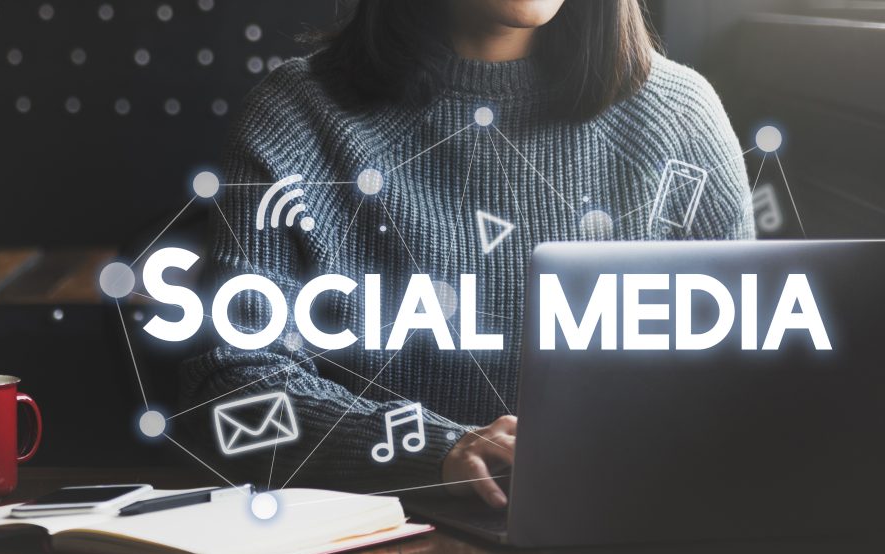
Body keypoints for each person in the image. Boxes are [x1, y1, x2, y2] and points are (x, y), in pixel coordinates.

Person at [180, 0, 754, 507]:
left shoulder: (681, 118)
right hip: (363, 552)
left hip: (619, 541)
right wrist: (435, 451)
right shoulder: (297, 114)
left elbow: (745, 386)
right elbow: (233, 397)